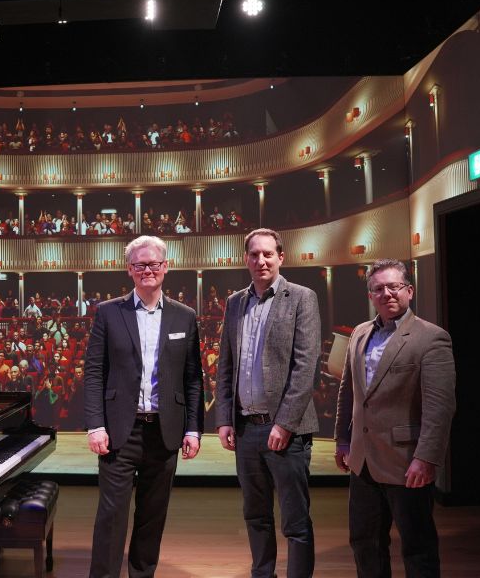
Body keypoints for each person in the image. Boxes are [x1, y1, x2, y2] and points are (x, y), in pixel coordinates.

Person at [84, 235, 203, 578]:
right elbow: (94, 372)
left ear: (165, 267)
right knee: (111, 517)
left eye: (153, 264)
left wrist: (193, 428)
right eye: (139, 265)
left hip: (164, 433)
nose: (147, 270)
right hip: (120, 431)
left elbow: (193, 377)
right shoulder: (109, 312)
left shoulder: (185, 316)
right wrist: (95, 425)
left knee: (152, 517)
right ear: (129, 270)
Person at [334, 259, 456, 578]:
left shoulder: (432, 338)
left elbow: (439, 407)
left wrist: (426, 458)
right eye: (378, 288)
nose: (387, 293)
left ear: (409, 291)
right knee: (365, 543)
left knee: (417, 547)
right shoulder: (359, 334)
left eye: (394, 286)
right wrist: (344, 441)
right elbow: (349, 393)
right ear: (371, 295)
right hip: (362, 461)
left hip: (407, 463)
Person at [215, 228, 320, 578]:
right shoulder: (235, 302)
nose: (261, 260)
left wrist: (285, 424)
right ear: (246, 258)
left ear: (280, 257)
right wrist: (225, 419)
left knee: (295, 522)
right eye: (254, 254)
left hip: (286, 433)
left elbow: (305, 367)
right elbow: (226, 365)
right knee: (256, 516)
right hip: (246, 430)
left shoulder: (302, 298)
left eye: (268, 254)